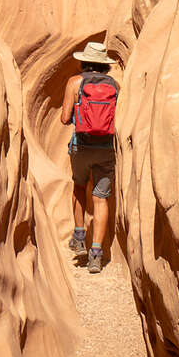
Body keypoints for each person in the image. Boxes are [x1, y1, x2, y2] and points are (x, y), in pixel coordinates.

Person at [62, 41, 120, 273]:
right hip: (106, 149)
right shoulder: (115, 85)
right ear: (104, 64)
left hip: (81, 147)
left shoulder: (75, 82)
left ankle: (79, 237)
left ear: (84, 60)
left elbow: (65, 118)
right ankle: (96, 254)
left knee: (78, 186)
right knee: (100, 199)